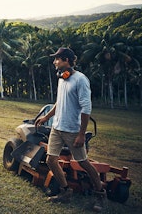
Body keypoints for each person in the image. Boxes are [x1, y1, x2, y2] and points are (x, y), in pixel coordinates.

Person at [35, 47, 107, 212]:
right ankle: (65, 191)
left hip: (73, 130)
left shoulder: (81, 80)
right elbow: (59, 102)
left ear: (66, 60)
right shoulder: (62, 78)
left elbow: (86, 108)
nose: (55, 62)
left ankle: (100, 195)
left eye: (57, 59)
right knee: (51, 160)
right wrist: (47, 117)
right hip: (57, 127)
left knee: (83, 163)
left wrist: (81, 134)